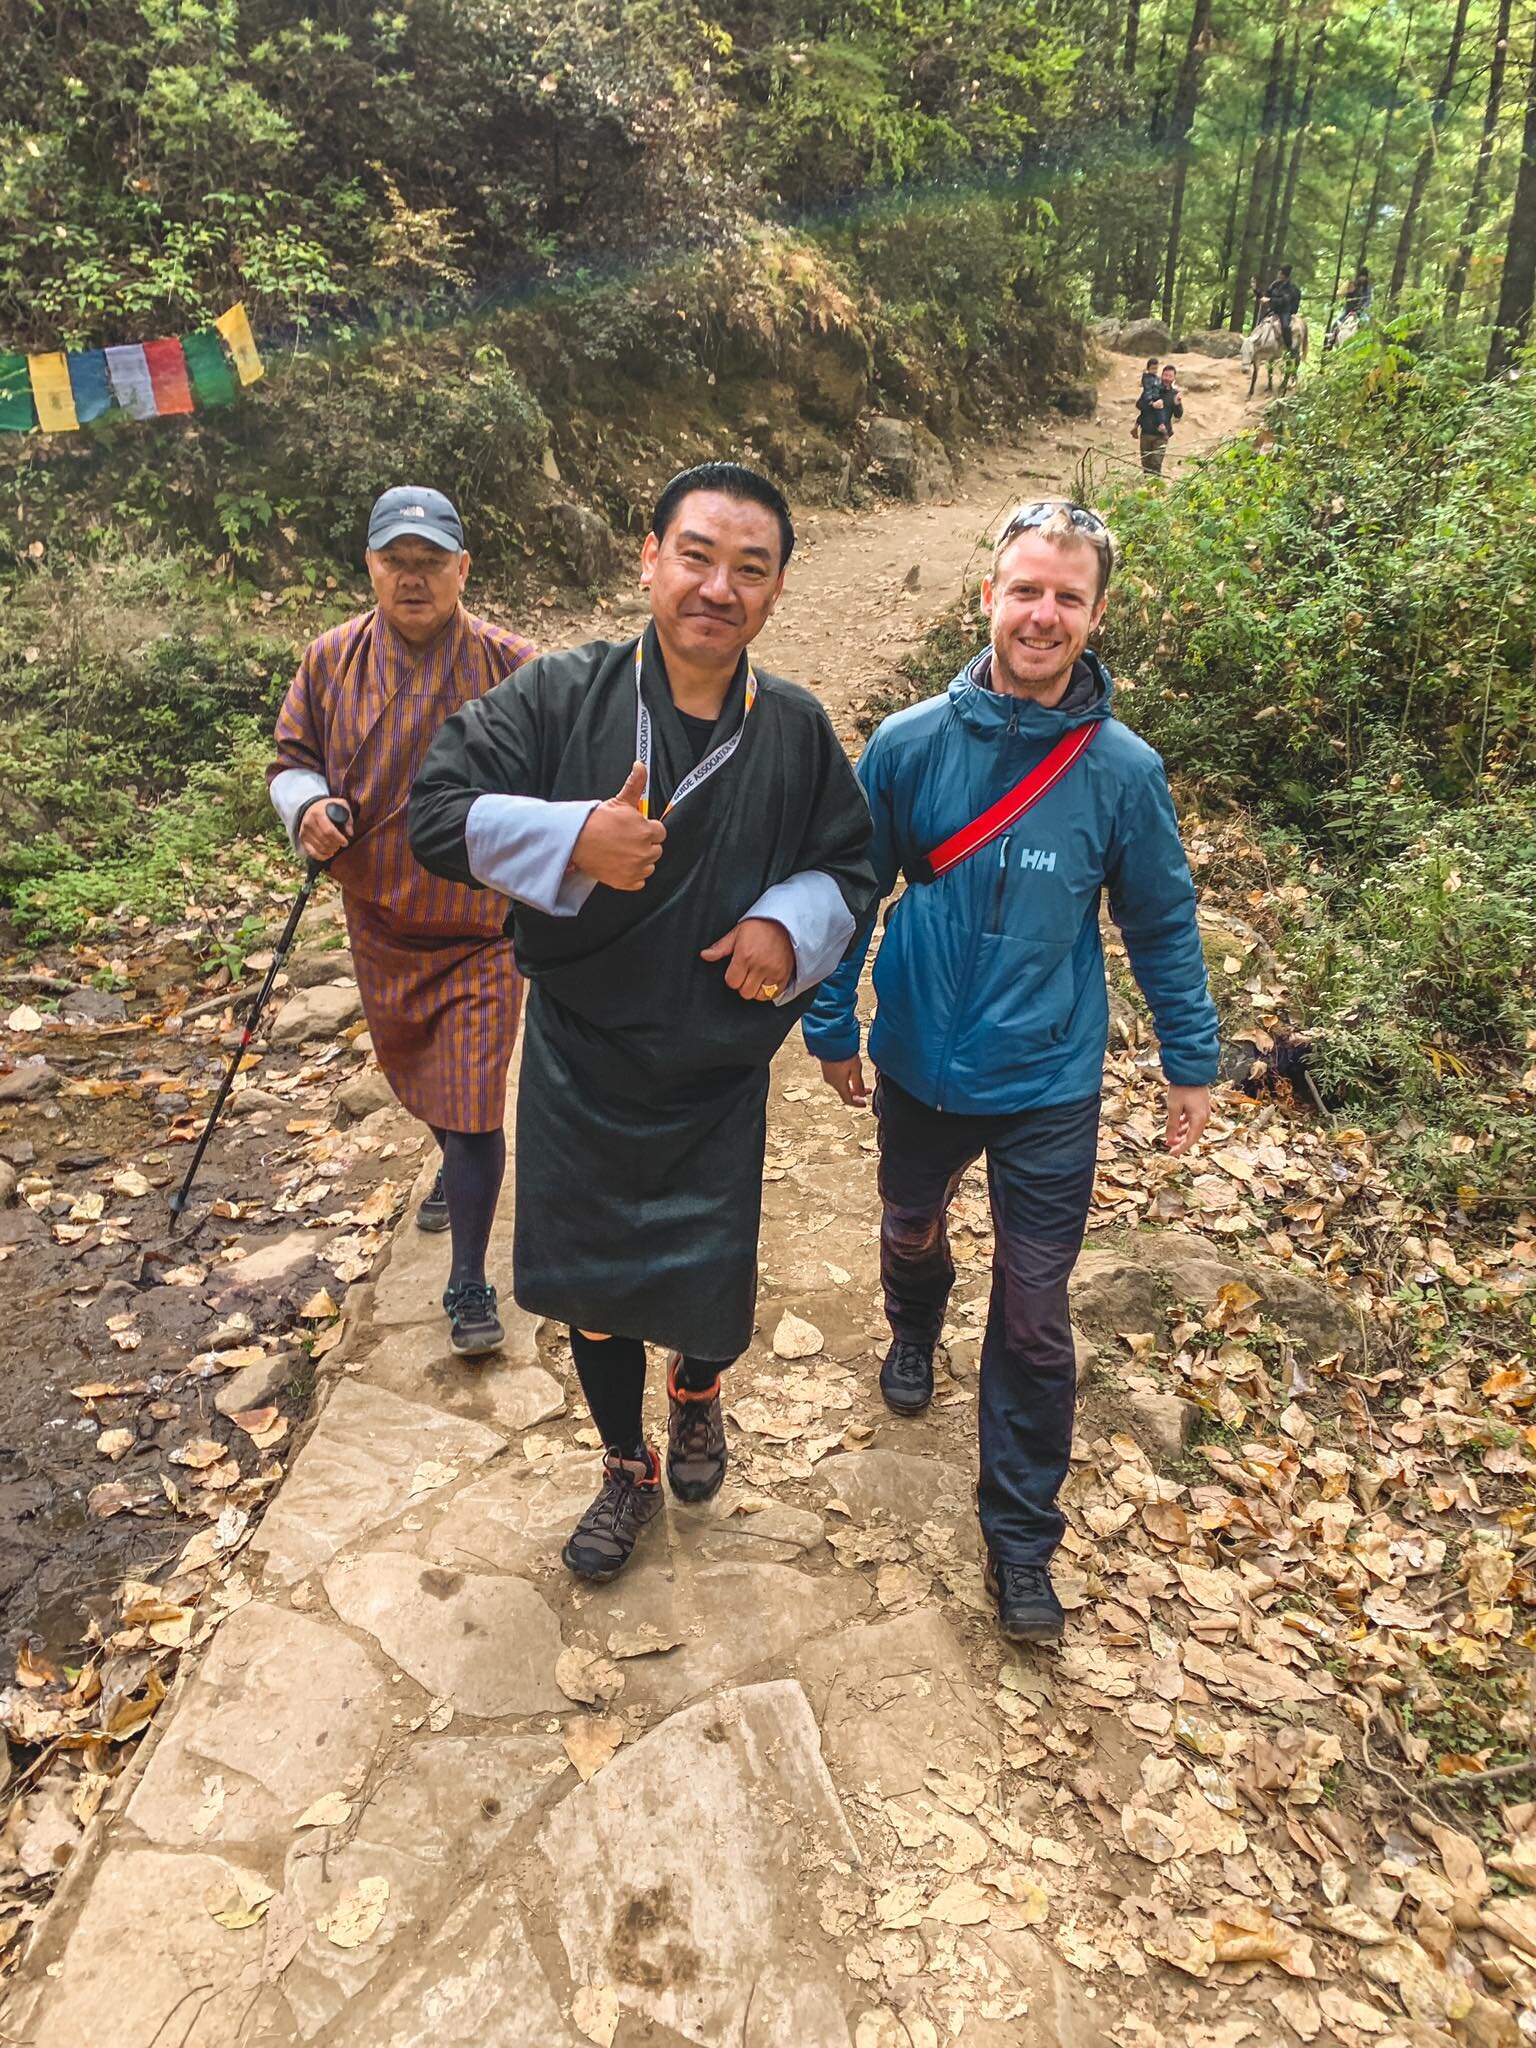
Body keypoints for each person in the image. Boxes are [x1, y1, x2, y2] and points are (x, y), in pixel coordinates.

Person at [409, 462, 876, 1582]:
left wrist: (788, 920)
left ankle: (701, 1390)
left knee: (710, 1295)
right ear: (650, 559)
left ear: (773, 593)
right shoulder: (560, 695)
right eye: (697, 556)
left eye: (749, 569)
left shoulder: (798, 728)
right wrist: (573, 837)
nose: (718, 587)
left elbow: (853, 864)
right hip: (583, 1056)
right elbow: (434, 811)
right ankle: (627, 1463)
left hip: (715, 1069)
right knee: (597, 1297)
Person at [803, 500, 1219, 1646]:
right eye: (1025, 588)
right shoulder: (907, 742)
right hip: (923, 1064)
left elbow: (1161, 919)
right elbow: (850, 888)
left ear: (1094, 615)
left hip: (1048, 1080)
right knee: (908, 1226)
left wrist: (1193, 1057)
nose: (1043, 613)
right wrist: (832, 1022)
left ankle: (1022, 1540)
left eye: (1067, 596)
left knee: (1036, 1320)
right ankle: (912, 1322)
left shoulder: (1123, 773)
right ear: (987, 594)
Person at [268, 487, 533, 1359]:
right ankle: (452, 1169)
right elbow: (291, 759)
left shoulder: (513, 664)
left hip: (484, 930)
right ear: (371, 567)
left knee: (474, 1105)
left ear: (463, 568)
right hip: (380, 917)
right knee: (420, 1079)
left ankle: (466, 1280)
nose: (412, 580)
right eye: (396, 562)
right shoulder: (330, 661)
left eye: (431, 563)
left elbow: (572, 763)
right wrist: (306, 806)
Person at [1133, 363, 1182, 476]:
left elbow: (1178, 415)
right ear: (1161, 375)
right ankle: (1148, 491)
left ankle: (1155, 490)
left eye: (1170, 376)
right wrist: (1152, 405)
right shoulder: (1152, 389)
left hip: (1161, 436)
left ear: (1174, 378)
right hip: (1146, 433)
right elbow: (1139, 405)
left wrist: (1177, 404)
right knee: (1146, 465)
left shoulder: (1174, 394)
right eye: (1165, 375)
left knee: (1156, 464)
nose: (1167, 378)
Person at [1263, 264, 1301, 350]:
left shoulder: (1291, 288)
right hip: (1273, 310)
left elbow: (1285, 300)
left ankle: (1290, 348)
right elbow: (1267, 294)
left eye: (1280, 273)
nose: (1278, 275)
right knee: (1261, 323)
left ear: (1284, 275)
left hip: (1285, 311)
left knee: (1285, 327)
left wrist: (1270, 300)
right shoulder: (1275, 284)